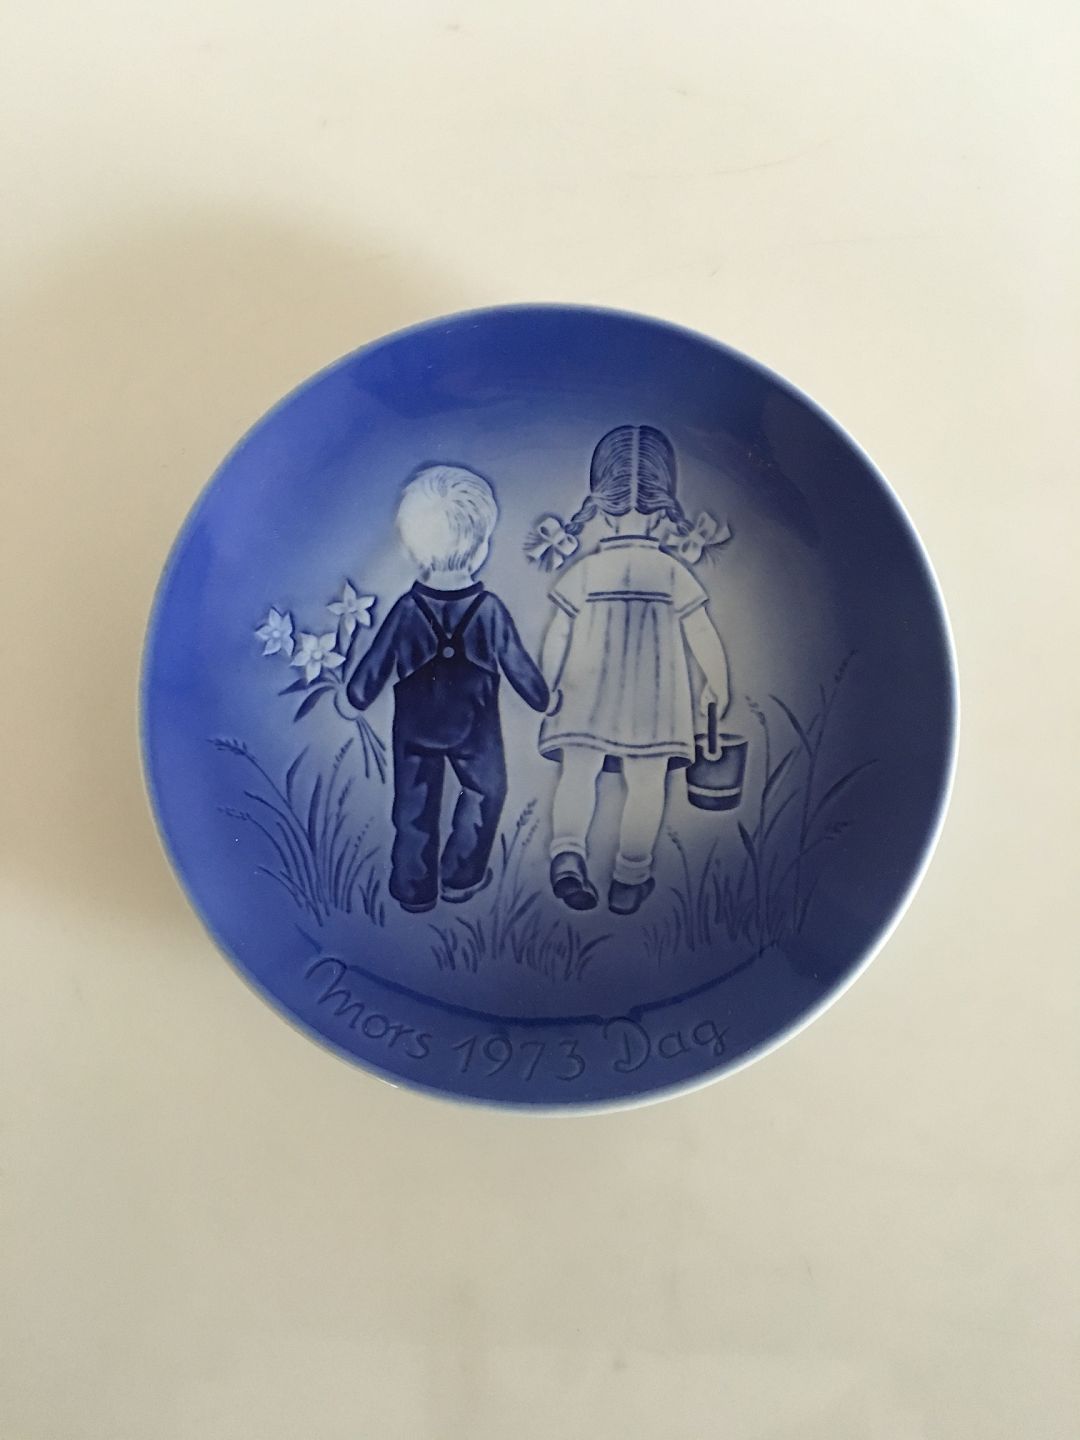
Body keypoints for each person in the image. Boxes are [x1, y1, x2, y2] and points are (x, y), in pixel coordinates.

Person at [535, 425, 730, 915]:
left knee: (578, 773)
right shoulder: (671, 572)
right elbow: (701, 630)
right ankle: (630, 876)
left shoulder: (585, 571)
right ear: (665, 507)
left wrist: (547, 685)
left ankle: (567, 854)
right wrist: (717, 683)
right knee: (647, 783)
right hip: (654, 703)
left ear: (600, 505)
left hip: (585, 694)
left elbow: (557, 632)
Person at [348, 465, 548, 913]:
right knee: (485, 794)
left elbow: (371, 671)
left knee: (412, 808)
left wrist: (357, 695)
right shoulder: (489, 610)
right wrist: (544, 699)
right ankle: (461, 876)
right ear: (481, 548)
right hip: (475, 729)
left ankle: (412, 887)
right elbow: (518, 665)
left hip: (414, 729)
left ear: (410, 548)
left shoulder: (406, 609)